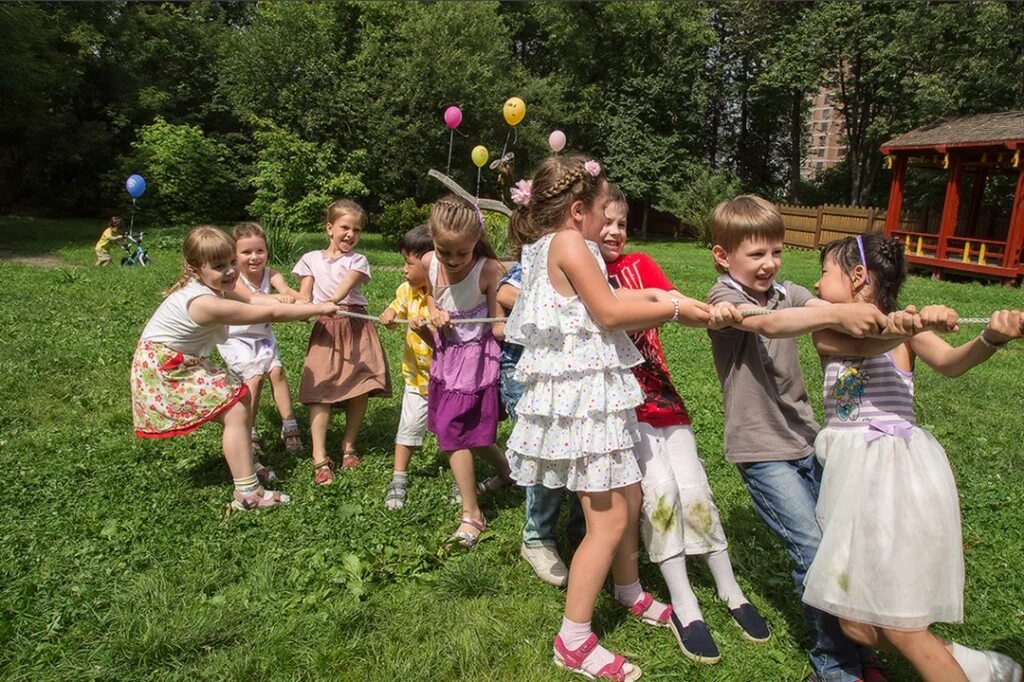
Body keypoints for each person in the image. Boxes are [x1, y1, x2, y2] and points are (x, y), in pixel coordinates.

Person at [504, 154, 711, 682]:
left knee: (631, 492)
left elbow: (613, 295)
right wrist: (673, 310)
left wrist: (663, 294)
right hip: (582, 408)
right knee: (609, 520)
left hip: (593, 399)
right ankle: (573, 640)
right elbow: (611, 312)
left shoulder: (555, 245)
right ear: (578, 211)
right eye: (602, 211)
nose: (608, 221)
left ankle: (629, 591)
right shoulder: (571, 244)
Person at [705, 195, 909, 682]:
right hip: (761, 451)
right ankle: (834, 667)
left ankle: (862, 656)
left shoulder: (786, 291)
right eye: (756, 254)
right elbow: (774, 324)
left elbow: (823, 306)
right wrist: (835, 316)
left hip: (808, 440)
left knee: (841, 544)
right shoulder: (720, 300)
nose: (769, 263)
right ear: (723, 256)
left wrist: (897, 326)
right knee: (814, 552)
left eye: (776, 251)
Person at [805, 234, 1024, 682]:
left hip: (891, 482)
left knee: (900, 627)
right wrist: (908, 326)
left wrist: (990, 337)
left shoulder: (908, 331)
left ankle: (945, 662)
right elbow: (859, 341)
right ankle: (975, 665)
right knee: (857, 624)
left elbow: (952, 363)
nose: (817, 279)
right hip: (850, 483)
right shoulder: (825, 325)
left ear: (859, 277)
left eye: (825, 271)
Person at [598, 185, 769, 664]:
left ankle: (728, 588)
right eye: (604, 222)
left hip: (662, 396)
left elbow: (675, 300)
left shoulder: (641, 264)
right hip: (619, 406)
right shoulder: (584, 271)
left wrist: (713, 313)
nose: (613, 232)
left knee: (695, 486)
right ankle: (684, 604)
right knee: (661, 494)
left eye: (621, 223)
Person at [130, 226, 337, 509]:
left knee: (239, 403)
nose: (229, 271)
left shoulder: (212, 288)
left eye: (231, 263)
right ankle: (248, 492)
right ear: (194, 268)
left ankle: (247, 464)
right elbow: (268, 312)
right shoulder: (204, 302)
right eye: (218, 266)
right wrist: (317, 309)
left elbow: (255, 299)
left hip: (180, 360)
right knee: (236, 409)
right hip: (164, 369)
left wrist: (302, 302)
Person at [423, 194, 512, 548]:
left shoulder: (487, 270)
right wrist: (432, 311)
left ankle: (472, 514)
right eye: (446, 252)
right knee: (469, 431)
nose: (454, 260)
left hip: (475, 363)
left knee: (452, 431)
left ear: (476, 241)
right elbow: (431, 296)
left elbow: (498, 323)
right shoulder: (431, 262)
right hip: (446, 358)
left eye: (463, 252)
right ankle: (508, 472)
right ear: (433, 240)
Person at [497, 236, 584, 587]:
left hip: (571, 372)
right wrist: (565, 305)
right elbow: (505, 292)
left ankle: (582, 532)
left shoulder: (587, 264)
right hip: (526, 373)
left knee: (582, 450)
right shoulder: (536, 264)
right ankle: (537, 538)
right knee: (543, 454)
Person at [293, 199, 391, 484]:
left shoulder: (357, 260)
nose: (350, 234)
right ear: (329, 228)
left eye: (357, 230)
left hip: (355, 324)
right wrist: (297, 306)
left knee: (360, 385)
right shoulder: (310, 259)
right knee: (320, 388)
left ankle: (349, 446)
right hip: (326, 327)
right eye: (344, 228)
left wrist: (330, 302)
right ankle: (319, 457)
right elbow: (304, 295)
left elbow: (347, 284)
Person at [216, 222, 305, 483]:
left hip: (262, 336)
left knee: (277, 372)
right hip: (236, 338)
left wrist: (310, 303)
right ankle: (248, 430)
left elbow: (290, 293)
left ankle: (289, 425)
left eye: (260, 251)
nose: (254, 258)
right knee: (253, 380)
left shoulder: (271, 274)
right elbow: (253, 301)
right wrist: (282, 301)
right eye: (246, 253)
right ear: (234, 254)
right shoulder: (234, 279)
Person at [380, 224, 435, 510]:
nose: (404, 269)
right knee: (408, 429)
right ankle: (399, 477)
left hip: (446, 381)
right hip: (416, 378)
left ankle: (460, 477)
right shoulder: (407, 290)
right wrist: (389, 313)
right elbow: (395, 307)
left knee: (453, 435)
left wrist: (427, 332)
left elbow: (450, 346)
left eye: (409, 264)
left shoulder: (444, 297)